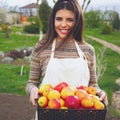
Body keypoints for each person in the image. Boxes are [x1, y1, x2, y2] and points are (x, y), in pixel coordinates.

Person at [26, 0, 108, 118]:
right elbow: (31, 82)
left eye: (70, 20)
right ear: (53, 20)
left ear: (78, 22)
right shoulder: (41, 48)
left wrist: (100, 93)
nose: (63, 24)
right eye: (59, 19)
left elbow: (93, 85)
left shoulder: (87, 50)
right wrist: (33, 89)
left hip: (81, 115)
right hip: (49, 114)